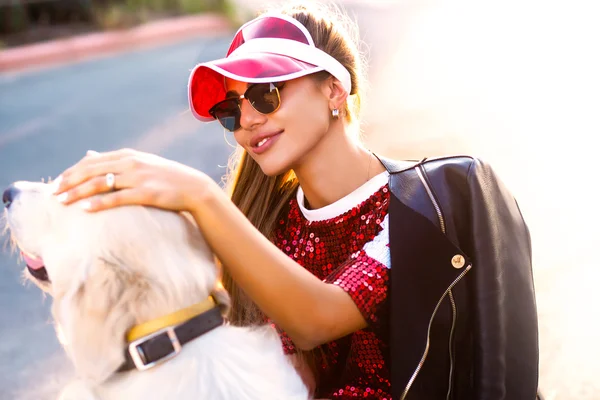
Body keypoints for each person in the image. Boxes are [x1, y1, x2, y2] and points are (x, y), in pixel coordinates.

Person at [51, 2, 541, 399]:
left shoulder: (422, 204)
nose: (246, 121)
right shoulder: (269, 230)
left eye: (265, 95)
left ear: (334, 88)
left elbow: (318, 320)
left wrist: (201, 196)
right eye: (229, 111)